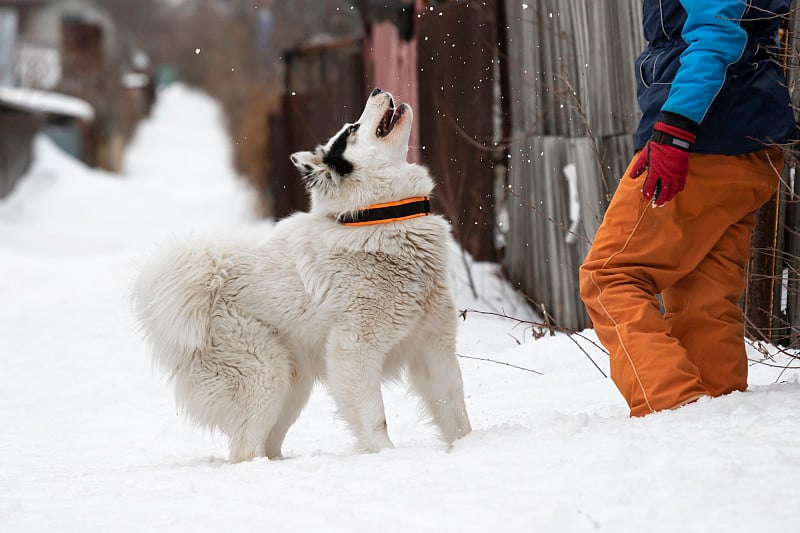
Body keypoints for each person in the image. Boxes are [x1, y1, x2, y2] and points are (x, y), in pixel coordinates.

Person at [579, 0, 796, 417]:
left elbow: (717, 32)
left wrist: (676, 129)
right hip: (751, 137)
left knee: (611, 277)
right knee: (703, 294)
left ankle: (672, 411)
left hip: (701, 135)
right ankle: (717, 417)